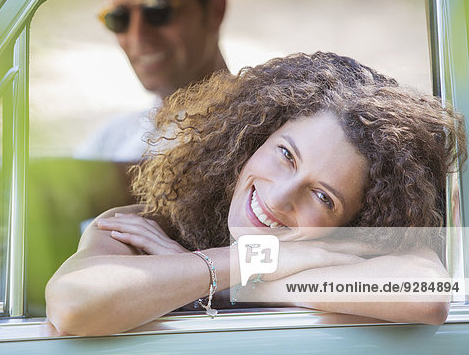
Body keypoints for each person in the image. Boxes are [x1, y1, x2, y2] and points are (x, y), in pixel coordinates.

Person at [46, 52, 467, 336]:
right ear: (252, 142)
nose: (281, 197)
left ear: (357, 221)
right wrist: (246, 261)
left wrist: (235, 286)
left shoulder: (353, 251)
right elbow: (73, 304)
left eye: (324, 198)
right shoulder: (147, 225)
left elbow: (424, 293)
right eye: (286, 155)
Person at [75, 0, 228, 162]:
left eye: (157, 11)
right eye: (118, 18)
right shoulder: (113, 136)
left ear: (215, 10)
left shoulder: (250, 131)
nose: (137, 36)